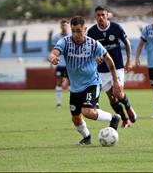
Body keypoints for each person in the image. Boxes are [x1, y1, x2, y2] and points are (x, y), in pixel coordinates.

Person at [48, 16, 121, 145]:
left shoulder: (93, 44)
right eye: (73, 30)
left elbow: (110, 61)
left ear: (85, 29)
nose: (76, 34)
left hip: (91, 83)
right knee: (76, 118)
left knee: (87, 111)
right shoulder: (65, 42)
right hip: (75, 87)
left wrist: (116, 81)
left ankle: (113, 118)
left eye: (79, 31)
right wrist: (53, 58)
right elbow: (53, 53)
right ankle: (87, 137)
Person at [87, 6, 137, 128]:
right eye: (98, 15)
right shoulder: (92, 32)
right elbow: (89, 50)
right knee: (112, 99)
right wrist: (95, 57)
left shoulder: (116, 27)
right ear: (95, 17)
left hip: (117, 68)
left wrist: (129, 60)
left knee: (118, 93)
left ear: (107, 15)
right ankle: (125, 120)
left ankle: (129, 107)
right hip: (102, 71)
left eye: (103, 15)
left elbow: (127, 43)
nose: (101, 17)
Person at [51, 19, 70, 108]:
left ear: (68, 26)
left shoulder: (71, 36)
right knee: (59, 82)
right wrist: (52, 61)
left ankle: (72, 102)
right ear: (60, 26)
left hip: (70, 64)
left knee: (72, 83)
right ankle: (59, 103)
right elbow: (53, 51)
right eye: (62, 25)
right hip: (60, 64)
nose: (64, 27)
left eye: (65, 25)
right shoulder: (56, 37)